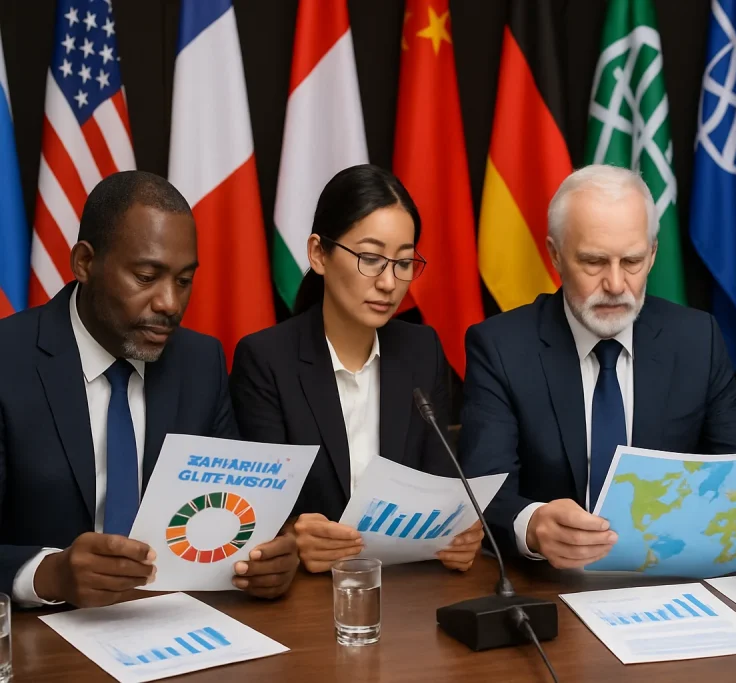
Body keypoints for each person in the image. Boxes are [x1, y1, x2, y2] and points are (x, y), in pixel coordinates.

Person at [458, 164, 736, 569]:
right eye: (594, 262)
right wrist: (532, 526)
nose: (617, 285)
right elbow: (484, 493)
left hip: (673, 584)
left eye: (633, 261)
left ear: (653, 254)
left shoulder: (696, 339)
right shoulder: (501, 348)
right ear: (555, 255)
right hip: (549, 588)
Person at [0, 171, 298, 608]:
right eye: (145, 277)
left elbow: (232, 512)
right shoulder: (9, 360)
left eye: (183, 280)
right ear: (84, 262)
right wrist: (49, 573)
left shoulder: (201, 362)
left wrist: (268, 557)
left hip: (173, 625)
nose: (170, 304)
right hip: (40, 642)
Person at [230, 165, 484, 574]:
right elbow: (254, 515)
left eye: (403, 263)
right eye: (370, 258)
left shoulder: (423, 352)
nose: (389, 283)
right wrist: (293, 536)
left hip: (407, 590)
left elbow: (439, 489)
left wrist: (459, 533)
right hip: (307, 600)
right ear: (318, 254)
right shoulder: (266, 360)